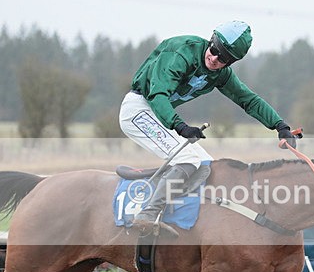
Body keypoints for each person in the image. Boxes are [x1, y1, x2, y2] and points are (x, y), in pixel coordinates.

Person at [119, 21, 298, 235]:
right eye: (214, 51)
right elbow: (158, 95)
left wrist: (279, 125)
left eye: (223, 59)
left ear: (231, 62)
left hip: (158, 115)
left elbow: (247, 99)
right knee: (188, 160)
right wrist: (180, 126)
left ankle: (177, 217)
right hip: (138, 110)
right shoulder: (182, 51)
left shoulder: (221, 75)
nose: (214, 59)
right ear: (210, 41)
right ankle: (148, 213)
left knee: (206, 165)